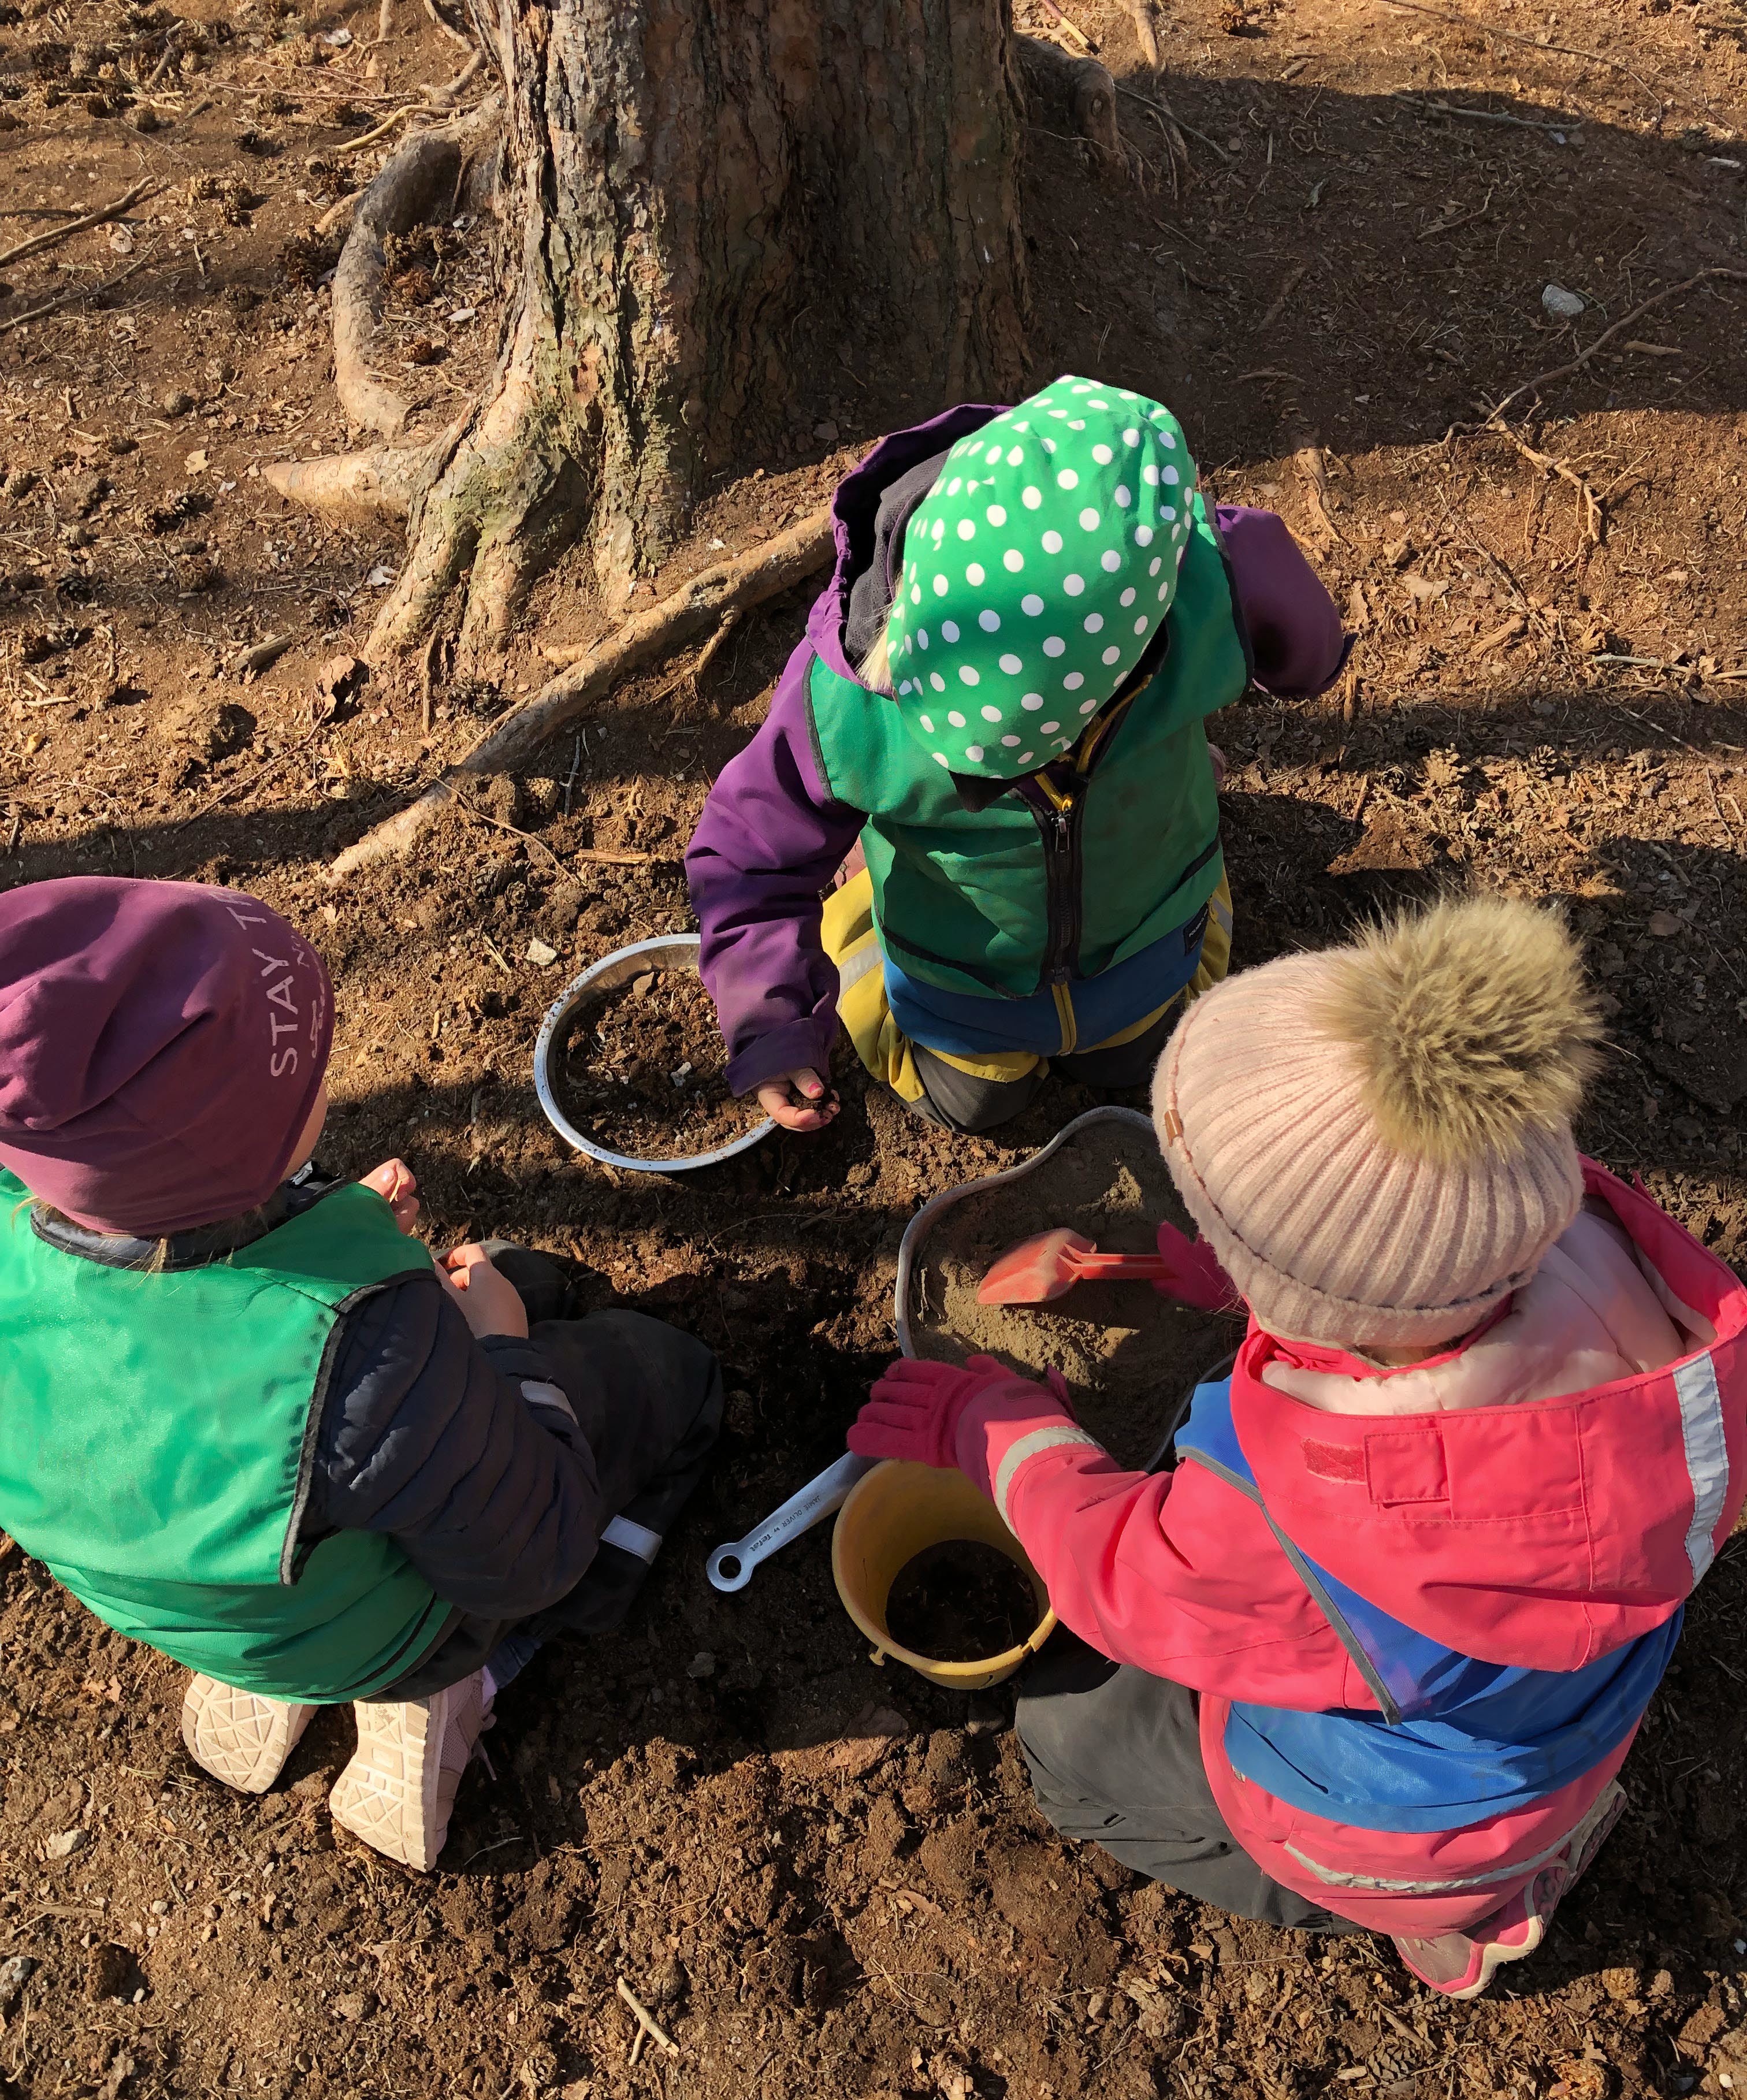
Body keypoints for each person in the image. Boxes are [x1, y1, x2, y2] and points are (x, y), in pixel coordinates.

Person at [850, 895, 1747, 1996]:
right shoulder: (1618, 1274)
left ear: (1324, 1301)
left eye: (1226, 1230)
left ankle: (1420, 1912)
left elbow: (1124, 1580)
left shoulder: (1313, 1512)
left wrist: (997, 1428)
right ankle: (1513, 1846)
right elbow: (1405, 1282)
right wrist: (1244, 1284)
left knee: (1067, 1746)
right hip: (1575, 1693)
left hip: (1399, 1822)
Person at [0, 878, 722, 1871]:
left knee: (485, 1317)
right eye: (302, 1088)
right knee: (662, 1372)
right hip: (403, 1628)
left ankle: (272, 1673)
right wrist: (499, 1344)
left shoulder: (32, 1190)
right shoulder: (366, 1358)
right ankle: (468, 1679)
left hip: (212, 1600)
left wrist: (315, 1220)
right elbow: (535, 1548)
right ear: (237, 1165)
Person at [686, 374, 1345, 1138]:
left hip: (1146, 943)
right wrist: (774, 1021)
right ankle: (860, 907)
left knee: (1134, 1058)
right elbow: (749, 855)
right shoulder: (846, 697)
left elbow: (1284, 613)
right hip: (962, 983)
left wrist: (1245, 577)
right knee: (976, 1102)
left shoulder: (1209, 579)